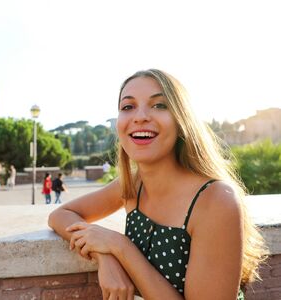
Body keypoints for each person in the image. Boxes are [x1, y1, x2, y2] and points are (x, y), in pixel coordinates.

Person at [48, 69, 266, 300]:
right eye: (128, 107)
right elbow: (61, 215)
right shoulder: (134, 183)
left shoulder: (215, 199)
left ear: (182, 120)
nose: (139, 116)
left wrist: (120, 246)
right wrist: (106, 258)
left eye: (159, 105)